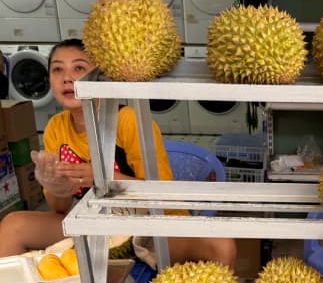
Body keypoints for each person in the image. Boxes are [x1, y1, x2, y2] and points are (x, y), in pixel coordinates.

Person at [0, 38, 236, 267]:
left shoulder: (128, 121)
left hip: (151, 225)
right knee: (13, 225)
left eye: (79, 68)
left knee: (221, 246)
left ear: (100, 77)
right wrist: (56, 186)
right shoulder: (56, 127)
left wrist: (103, 179)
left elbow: (162, 195)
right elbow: (60, 209)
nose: (67, 78)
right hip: (98, 226)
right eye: (57, 70)